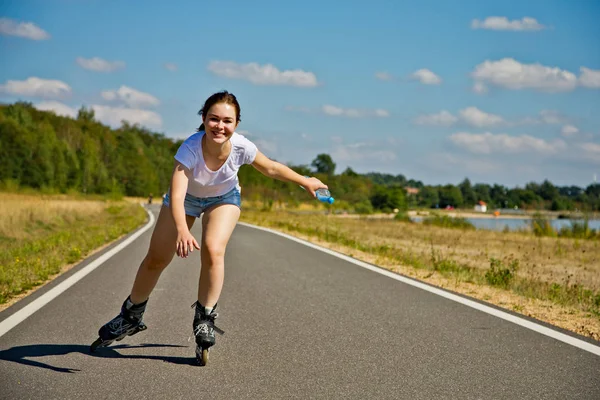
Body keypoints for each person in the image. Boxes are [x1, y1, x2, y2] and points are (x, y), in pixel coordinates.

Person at [91, 90, 328, 365]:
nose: (220, 126)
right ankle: (131, 314)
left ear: (236, 123)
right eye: (213, 119)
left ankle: (205, 318)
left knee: (214, 250)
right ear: (203, 119)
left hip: (224, 198)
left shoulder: (241, 146)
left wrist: (305, 181)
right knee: (156, 259)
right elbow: (177, 196)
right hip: (186, 201)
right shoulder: (189, 149)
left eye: (227, 120)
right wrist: (182, 230)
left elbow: (271, 169)